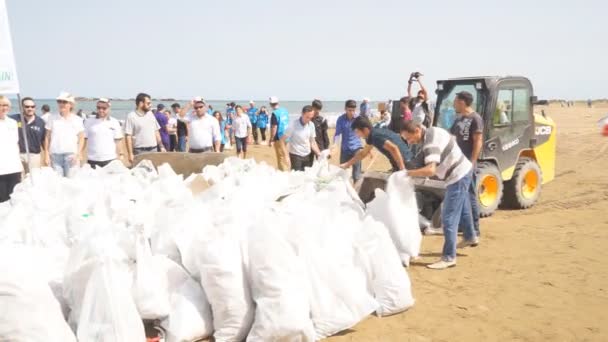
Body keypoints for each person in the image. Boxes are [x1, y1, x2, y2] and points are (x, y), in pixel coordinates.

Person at [400, 121, 476, 270]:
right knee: (463, 207)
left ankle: (449, 257)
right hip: (464, 169)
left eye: (409, 138)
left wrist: (408, 174)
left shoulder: (429, 145)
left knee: (448, 218)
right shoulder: (432, 130)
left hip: (457, 176)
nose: (409, 142)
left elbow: (430, 170)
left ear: (417, 130)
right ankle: (470, 236)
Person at [450, 91, 483, 238]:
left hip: (467, 164)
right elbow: (452, 137)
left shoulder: (475, 118)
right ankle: (464, 226)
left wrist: (472, 162)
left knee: (469, 195)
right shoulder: (458, 119)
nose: (454, 103)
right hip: (457, 163)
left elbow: (478, 141)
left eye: (455, 101)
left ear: (462, 102)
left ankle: (475, 229)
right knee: (459, 195)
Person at [340, 115, 414, 172]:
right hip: (406, 161)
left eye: (357, 132)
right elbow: (363, 153)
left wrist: (402, 169)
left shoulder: (375, 137)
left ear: (365, 130)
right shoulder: (374, 134)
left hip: (406, 163)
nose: (357, 135)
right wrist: (347, 164)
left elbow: (394, 148)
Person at [43, 92, 85, 177]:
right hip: (55, 156)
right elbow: (47, 137)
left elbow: (81, 138)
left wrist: (78, 154)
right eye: (59, 101)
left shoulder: (77, 119)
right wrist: (46, 154)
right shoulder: (51, 118)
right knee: (58, 184)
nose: (61, 104)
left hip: (71, 156)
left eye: (64, 102)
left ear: (71, 104)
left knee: (71, 183)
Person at [124, 93, 165, 165]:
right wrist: (130, 154)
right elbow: (128, 136)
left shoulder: (151, 114)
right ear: (140, 103)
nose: (151, 105)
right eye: (148, 103)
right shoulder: (131, 116)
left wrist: (161, 146)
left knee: (154, 173)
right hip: (139, 152)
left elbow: (156, 131)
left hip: (154, 150)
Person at [83, 98, 124, 168]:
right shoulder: (88, 121)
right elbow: (83, 139)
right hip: (92, 160)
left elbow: (118, 140)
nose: (101, 110)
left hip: (110, 160)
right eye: (98, 108)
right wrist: (79, 154)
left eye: (104, 108)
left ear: (109, 108)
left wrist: (121, 155)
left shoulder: (114, 122)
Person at [10, 97, 46, 173]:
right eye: (27, 107)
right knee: (19, 181)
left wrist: (47, 155)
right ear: (22, 107)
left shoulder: (41, 122)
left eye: (32, 107)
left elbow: (44, 140)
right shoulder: (13, 120)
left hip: (34, 156)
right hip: (18, 155)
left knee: (33, 181)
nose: (30, 109)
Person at [280, 105, 321, 171]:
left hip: (308, 156)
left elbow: (312, 142)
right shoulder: (293, 125)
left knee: (307, 178)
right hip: (295, 157)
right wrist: (286, 156)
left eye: (310, 118)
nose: (308, 120)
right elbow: (282, 141)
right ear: (302, 114)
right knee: (297, 178)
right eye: (307, 117)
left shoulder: (311, 125)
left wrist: (319, 153)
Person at [0, 96, 23, 202]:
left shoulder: (13, 123)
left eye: (5, 105)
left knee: (14, 199)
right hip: (1, 169)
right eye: (0, 105)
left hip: (14, 167)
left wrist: (20, 164)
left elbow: (15, 144)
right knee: (2, 200)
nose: (3, 108)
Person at [334, 100, 363, 182]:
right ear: (345, 109)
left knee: (356, 175)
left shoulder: (359, 119)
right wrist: (335, 144)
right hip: (345, 149)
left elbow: (365, 132)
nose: (351, 112)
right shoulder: (340, 119)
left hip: (357, 148)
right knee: (342, 174)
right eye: (349, 110)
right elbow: (337, 134)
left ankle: (355, 191)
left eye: (353, 110)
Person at [268, 96, 290, 171]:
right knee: (286, 154)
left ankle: (283, 172)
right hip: (287, 135)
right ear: (278, 103)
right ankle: (288, 170)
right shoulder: (285, 110)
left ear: (270, 104)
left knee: (280, 156)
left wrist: (271, 139)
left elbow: (274, 127)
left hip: (279, 137)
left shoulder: (274, 113)